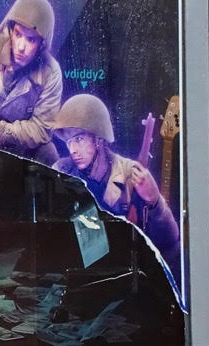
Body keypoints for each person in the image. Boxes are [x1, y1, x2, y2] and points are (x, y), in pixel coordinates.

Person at [50, 93, 181, 266]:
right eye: (69, 141)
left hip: (122, 265)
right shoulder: (62, 171)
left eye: (79, 139)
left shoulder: (130, 173)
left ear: (98, 139)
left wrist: (154, 201)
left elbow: (170, 240)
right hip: (76, 264)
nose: (72, 149)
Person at [0, 0, 63, 164]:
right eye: (18, 34)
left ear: (42, 44)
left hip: (17, 145)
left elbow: (41, 129)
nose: (21, 47)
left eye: (31, 40)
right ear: (10, 31)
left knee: (48, 153)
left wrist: (0, 131)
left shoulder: (51, 73)